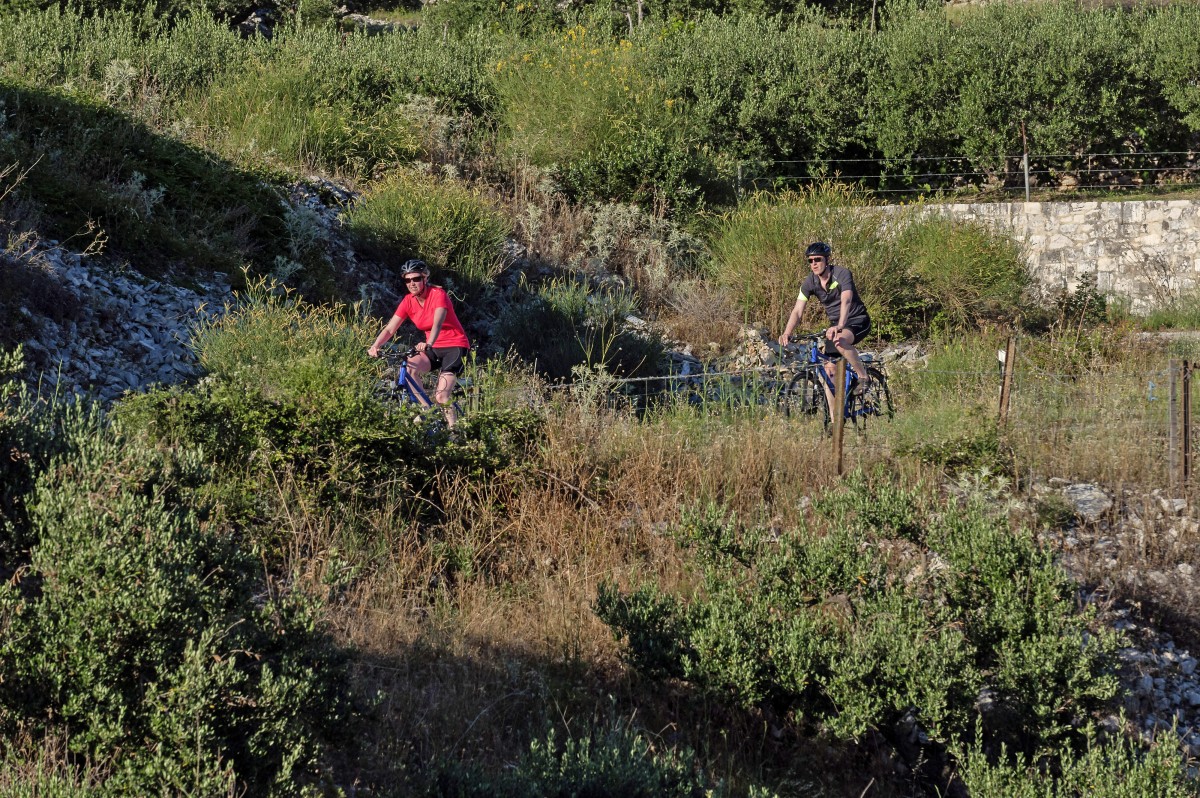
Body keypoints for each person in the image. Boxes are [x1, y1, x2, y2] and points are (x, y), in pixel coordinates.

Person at [368, 259, 469, 427]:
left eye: (416, 279)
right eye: (408, 280)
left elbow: (437, 323)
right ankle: (427, 412)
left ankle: (455, 433)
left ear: (425, 278)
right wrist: (375, 345)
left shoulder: (438, 295)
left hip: (455, 346)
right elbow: (390, 329)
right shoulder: (408, 301)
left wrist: (428, 343)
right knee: (409, 367)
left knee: (442, 396)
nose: (412, 283)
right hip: (433, 348)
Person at [778, 241, 872, 400]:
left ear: (827, 260)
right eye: (810, 260)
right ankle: (835, 422)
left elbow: (847, 300)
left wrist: (841, 325)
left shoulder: (842, 274)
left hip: (857, 319)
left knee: (840, 340)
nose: (814, 264)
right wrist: (787, 332)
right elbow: (797, 310)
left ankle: (863, 377)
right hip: (836, 325)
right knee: (829, 373)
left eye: (818, 259)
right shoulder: (810, 282)